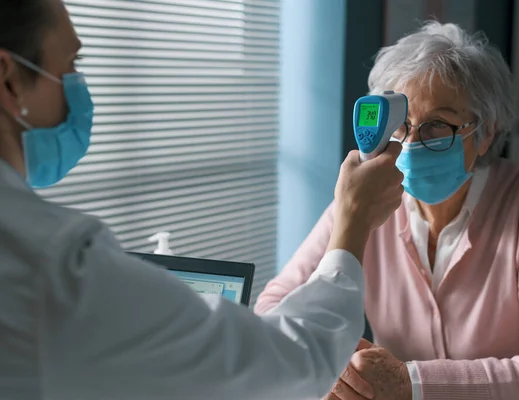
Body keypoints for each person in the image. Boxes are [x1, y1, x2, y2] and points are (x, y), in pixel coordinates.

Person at [0, 1, 406, 399]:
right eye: (70, 65)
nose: (79, 88)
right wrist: (353, 220)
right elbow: (289, 366)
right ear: (9, 79)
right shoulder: (53, 265)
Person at [255, 21, 519, 400]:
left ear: (485, 133)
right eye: (400, 127)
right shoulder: (365, 198)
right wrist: (341, 363)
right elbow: (275, 309)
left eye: (437, 126)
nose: (413, 145)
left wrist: (411, 384)